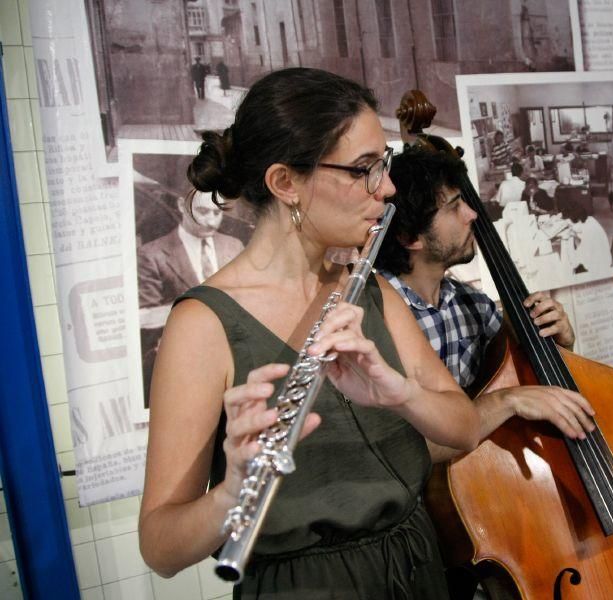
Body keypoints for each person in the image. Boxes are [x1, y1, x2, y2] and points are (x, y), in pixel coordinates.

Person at [138, 68, 481, 600]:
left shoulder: (371, 291)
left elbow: (464, 427)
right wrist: (232, 493)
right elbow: (160, 549)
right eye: (364, 169)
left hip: (418, 566)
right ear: (286, 183)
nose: (387, 188)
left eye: (382, 165)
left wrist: (402, 394)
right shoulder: (203, 325)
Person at [375, 146, 595, 600]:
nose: (473, 214)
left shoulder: (473, 306)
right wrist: (503, 402)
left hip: (488, 517)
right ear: (411, 237)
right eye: (454, 206)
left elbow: (541, 392)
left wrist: (560, 347)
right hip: (411, 540)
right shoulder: (376, 317)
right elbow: (393, 446)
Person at [137, 190, 244, 406]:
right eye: (203, 211)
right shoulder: (152, 254)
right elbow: (144, 317)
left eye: (217, 212)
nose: (211, 221)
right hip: (183, 363)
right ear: (181, 205)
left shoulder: (234, 246)